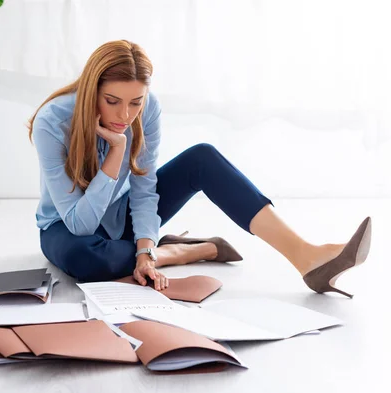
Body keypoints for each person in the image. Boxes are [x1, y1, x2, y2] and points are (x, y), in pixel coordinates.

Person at [27, 39, 371, 298]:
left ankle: (307, 257)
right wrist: (117, 151)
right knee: (89, 262)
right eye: (112, 101)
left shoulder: (148, 110)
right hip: (66, 227)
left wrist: (143, 250)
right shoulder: (53, 121)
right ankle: (176, 251)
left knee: (203, 157)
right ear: (92, 91)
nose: (125, 116)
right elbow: (80, 223)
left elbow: (145, 190)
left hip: (123, 219)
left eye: (136, 102)